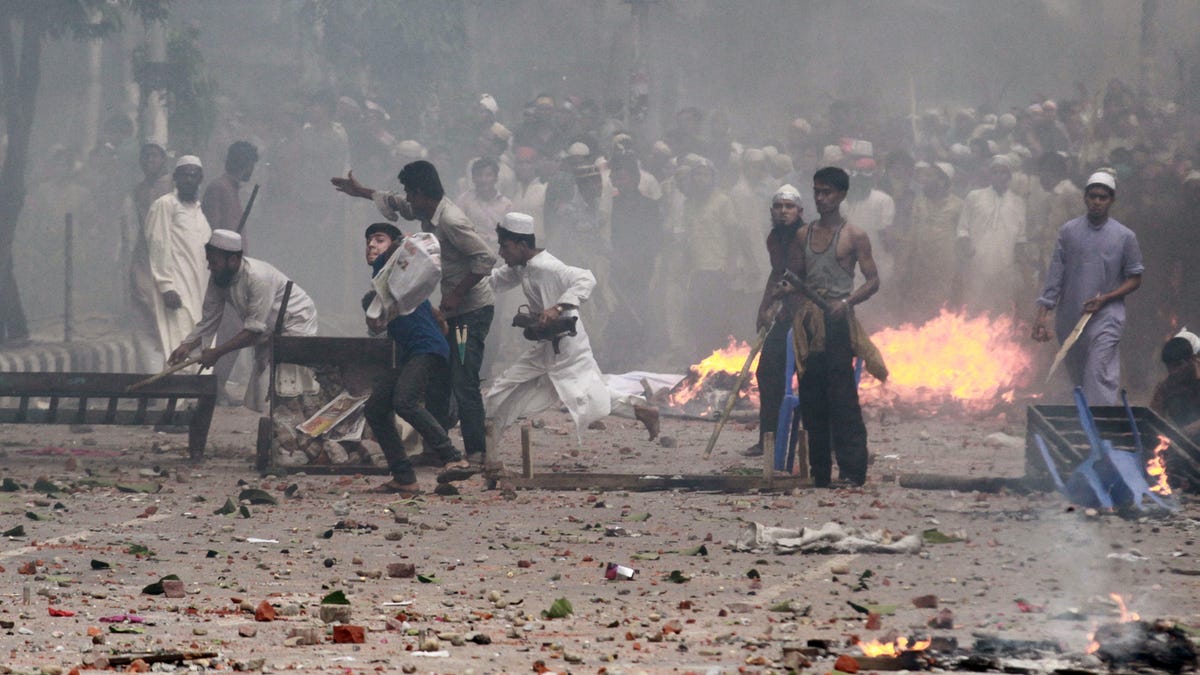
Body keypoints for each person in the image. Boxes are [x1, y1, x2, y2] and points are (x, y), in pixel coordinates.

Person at [331, 160, 497, 464]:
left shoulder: (451, 221)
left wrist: (458, 293)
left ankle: (476, 452)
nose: (408, 200)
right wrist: (361, 192)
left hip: (468, 315)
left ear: (422, 193)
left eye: (411, 193)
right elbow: (397, 204)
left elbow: (486, 259)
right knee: (438, 379)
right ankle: (436, 449)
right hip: (453, 313)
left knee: (463, 377)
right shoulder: (429, 213)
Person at [484, 213, 648, 455]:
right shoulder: (522, 267)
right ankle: (485, 448)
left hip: (568, 347)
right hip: (548, 346)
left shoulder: (548, 266)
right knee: (508, 388)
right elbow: (495, 281)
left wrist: (557, 307)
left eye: (504, 246)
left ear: (522, 245)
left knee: (582, 395)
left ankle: (484, 447)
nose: (501, 253)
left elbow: (586, 278)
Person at [784, 166, 879, 487]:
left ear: (841, 195)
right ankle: (820, 474)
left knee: (842, 399)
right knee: (811, 398)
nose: (821, 198)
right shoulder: (803, 235)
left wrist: (847, 303)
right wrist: (788, 299)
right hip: (810, 327)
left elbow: (873, 281)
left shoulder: (854, 236)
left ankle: (853, 472)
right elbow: (794, 280)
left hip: (838, 324)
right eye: (817, 192)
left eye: (827, 192)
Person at [360, 224, 470, 495]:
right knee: (375, 409)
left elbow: (401, 251)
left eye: (379, 239)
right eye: (368, 241)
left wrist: (403, 243)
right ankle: (404, 478)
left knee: (405, 402)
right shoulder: (387, 278)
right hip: (412, 352)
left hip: (425, 349)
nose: (371, 245)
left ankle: (454, 457)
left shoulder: (396, 269)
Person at [167, 229, 318, 412]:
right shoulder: (218, 279)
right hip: (268, 326)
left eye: (213, 262)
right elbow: (209, 321)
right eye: (209, 262)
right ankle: (278, 428)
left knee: (289, 379)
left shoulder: (258, 277)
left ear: (232, 260)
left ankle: (297, 425)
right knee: (264, 390)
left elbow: (253, 332)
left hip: (296, 319)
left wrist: (217, 352)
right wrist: (187, 345)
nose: (209, 267)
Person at [1032, 171, 1143, 406]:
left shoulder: (1125, 236)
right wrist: (1042, 316)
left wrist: (1107, 298)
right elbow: (1055, 276)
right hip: (1071, 318)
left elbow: (1135, 278)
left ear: (1111, 201)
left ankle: (1101, 428)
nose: (1097, 202)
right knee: (1080, 377)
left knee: (1098, 371)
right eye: (1093, 196)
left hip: (1107, 317)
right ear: (1085, 198)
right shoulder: (1069, 231)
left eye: (1103, 197)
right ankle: (1086, 428)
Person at [133, 156, 211, 373]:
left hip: (199, 291)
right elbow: (158, 247)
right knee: (179, 343)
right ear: (175, 178)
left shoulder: (198, 211)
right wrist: (166, 286)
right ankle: (175, 402)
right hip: (175, 292)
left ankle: (193, 403)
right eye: (184, 174)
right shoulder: (164, 205)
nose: (189, 179)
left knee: (198, 344)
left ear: (200, 179)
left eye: (194, 175)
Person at [744, 184, 806, 458]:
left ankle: (810, 443)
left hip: (807, 317)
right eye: (779, 207)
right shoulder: (774, 238)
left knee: (809, 380)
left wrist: (788, 300)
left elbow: (812, 277)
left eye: (789, 207)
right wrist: (763, 307)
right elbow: (776, 273)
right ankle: (768, 440)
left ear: (799, 211)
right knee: (768, 374)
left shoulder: (808, 238)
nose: (783, 212)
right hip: (782, 319)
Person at [201, 141, 259, 403]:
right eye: (251, 165)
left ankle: (219, 384)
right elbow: (212, 230)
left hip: (235, 270)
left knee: (235, 327)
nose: (251, 171)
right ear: (244, 163)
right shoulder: (218, 189)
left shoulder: (232, 189)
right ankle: (215, 385)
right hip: (223, 271)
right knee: (231, 327)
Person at [956, 154, 1026, 316]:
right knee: (973, 306)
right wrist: (966, 248)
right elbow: (963, 228)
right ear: (990, 174)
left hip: (1005, 265)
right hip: (976, 263)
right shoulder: (974, 197)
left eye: (1003, 172)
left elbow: (1021, 238)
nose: (999, 176)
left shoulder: (1018, 202)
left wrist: (1022, 266)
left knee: (1001, 310)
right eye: (995, 172)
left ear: (1009, 176)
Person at [1149, 336, 1200, 444]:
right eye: (1169, 367)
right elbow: (1154, 419)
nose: (1173, 372)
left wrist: (1190, 430)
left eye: (1178, 365)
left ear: (1192, 359)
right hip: (1189, 445)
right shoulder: (1166, 388)